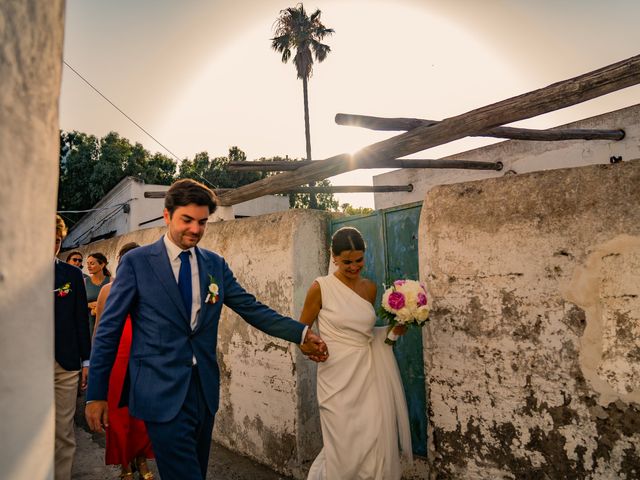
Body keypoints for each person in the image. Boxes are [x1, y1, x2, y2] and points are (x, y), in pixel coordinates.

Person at [86, 178, 328, 480]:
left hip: (203, 392)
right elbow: (108, 330)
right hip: (158, 392)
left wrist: (301, 333)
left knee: (195, 470)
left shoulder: (215, 264)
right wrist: (96, 393)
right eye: (187, 220)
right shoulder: (137, 263)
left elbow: (252, 308)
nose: (196, 230)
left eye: (202, 222)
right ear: (166, 215)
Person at [302, 227, 413, 480]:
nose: (354, 267)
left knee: (372, 441)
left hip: (367, 375)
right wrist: (309, 347)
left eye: (359, 260)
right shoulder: (320, 287)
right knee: (343, 446)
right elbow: (302, 333)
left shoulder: (370, 288)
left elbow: (371, 336)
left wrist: (396, 330)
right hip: (335, 379)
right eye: (347, 262)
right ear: (334, 257)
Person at [94, 242, 155, 480]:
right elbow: (99, 329)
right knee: (119, 413)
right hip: (117, 357)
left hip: (142, 355)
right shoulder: (108, 290)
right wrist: (94, 364)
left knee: (141, 414)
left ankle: (139, 460)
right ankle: (125, 464)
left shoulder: (149, 288)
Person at [54, 215, 92, 480]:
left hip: (65, 364)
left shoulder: (72, 275)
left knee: (63, 432)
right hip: (21, 365)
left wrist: (86, 362)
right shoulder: (11, 269)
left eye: (56, 240)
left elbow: (81, 318)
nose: (51, 245)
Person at [85, 252, 111, 337]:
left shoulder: (112, 281)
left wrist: (101, 305)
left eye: (92, 263)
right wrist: (89, 304)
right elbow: (76, 303)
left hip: (107, 321)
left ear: (102, 265)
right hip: (89, 323)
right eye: (87, 263)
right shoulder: (84, 282)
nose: (88, 266)